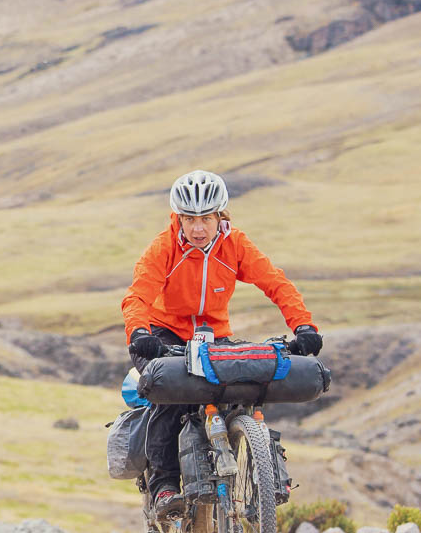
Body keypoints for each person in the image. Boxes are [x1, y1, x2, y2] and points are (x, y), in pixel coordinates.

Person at [121, 169, 322, 514]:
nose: (198, 228)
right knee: (169, 399)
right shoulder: (165, 247)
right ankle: (164, 486)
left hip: (213, 334)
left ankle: (252, 460)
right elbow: (138, 296)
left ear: (220, 216)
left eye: (206, 218)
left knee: (238, 388)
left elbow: (276, 284)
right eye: (189, 219)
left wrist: (303, 325)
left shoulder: (235, 245)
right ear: (178, 218)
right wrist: (140, 333)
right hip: (162, 334)